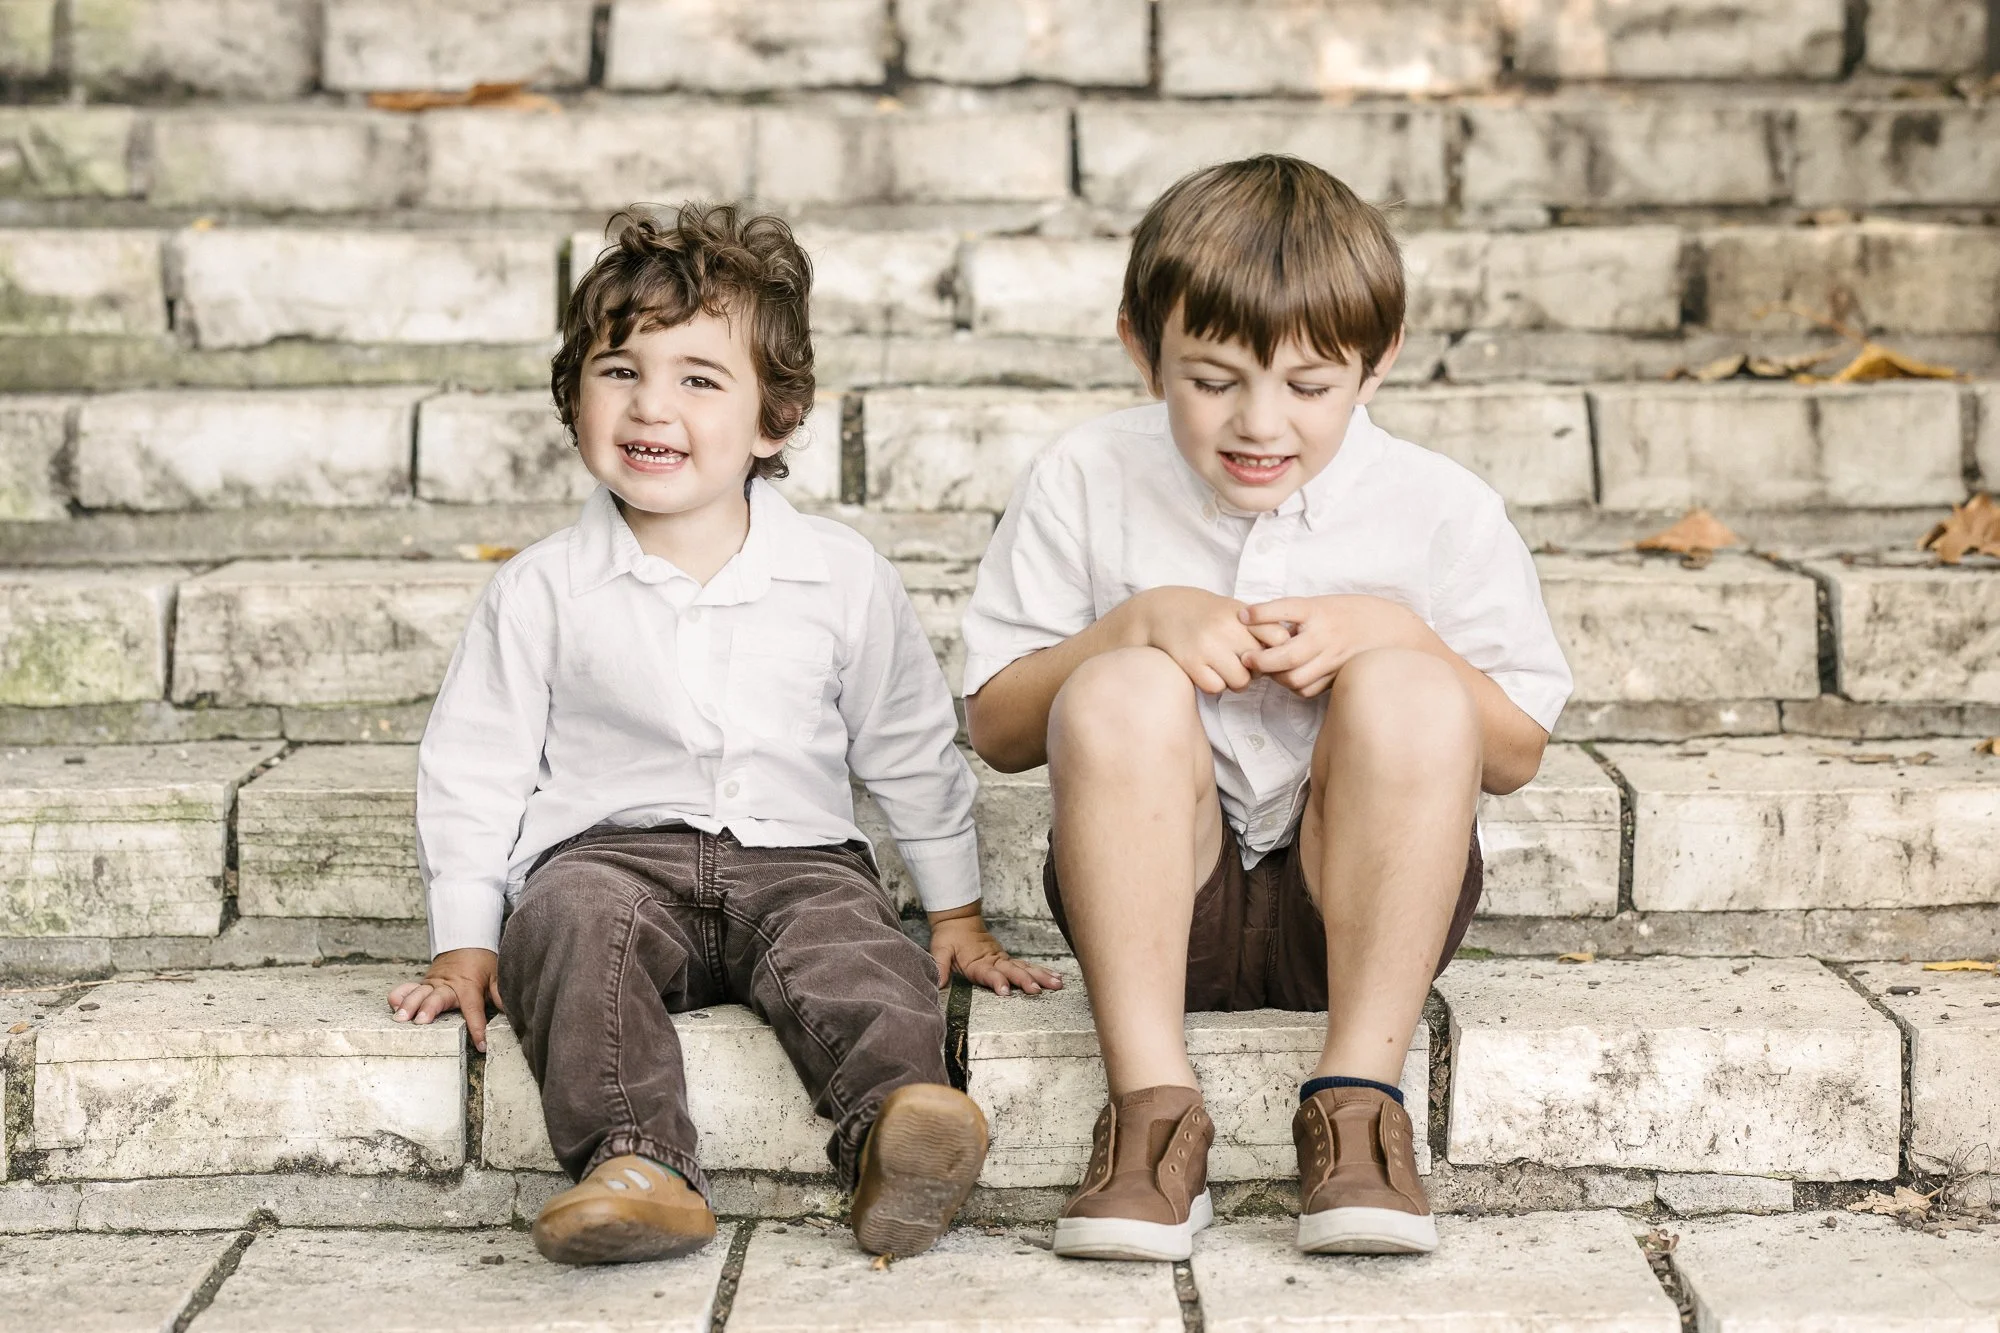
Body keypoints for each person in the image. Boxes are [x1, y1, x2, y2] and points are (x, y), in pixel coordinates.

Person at [387, 203, 1060, 1266]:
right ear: (573, 398)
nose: (651, 404)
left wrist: (956, 909)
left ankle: (901, 1129)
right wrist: (465, 934)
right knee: (563, 921)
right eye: (619, 370)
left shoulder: (838, 576)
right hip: (610, 856)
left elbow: (907, 744)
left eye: (699, 378)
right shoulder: (542, 589)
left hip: (799, 863)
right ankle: (636, 1162)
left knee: (861, 954)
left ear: (773, 419)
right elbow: (476, 764)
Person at [960, 156, 1572, 1262]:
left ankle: (1357, 1107)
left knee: (1407, 684)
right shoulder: (1084, 475)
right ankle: (1151, 1110)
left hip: (1353, 919)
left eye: (1307, 385)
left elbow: (1517, 751)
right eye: (1211, 378)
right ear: (1140, 350)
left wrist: (1397, 632)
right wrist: (1128, 625)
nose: (1258, 422)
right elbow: (997, 730)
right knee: (1119, 686)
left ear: (1374, 366)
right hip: (1158, 910)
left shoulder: (1438, 507)